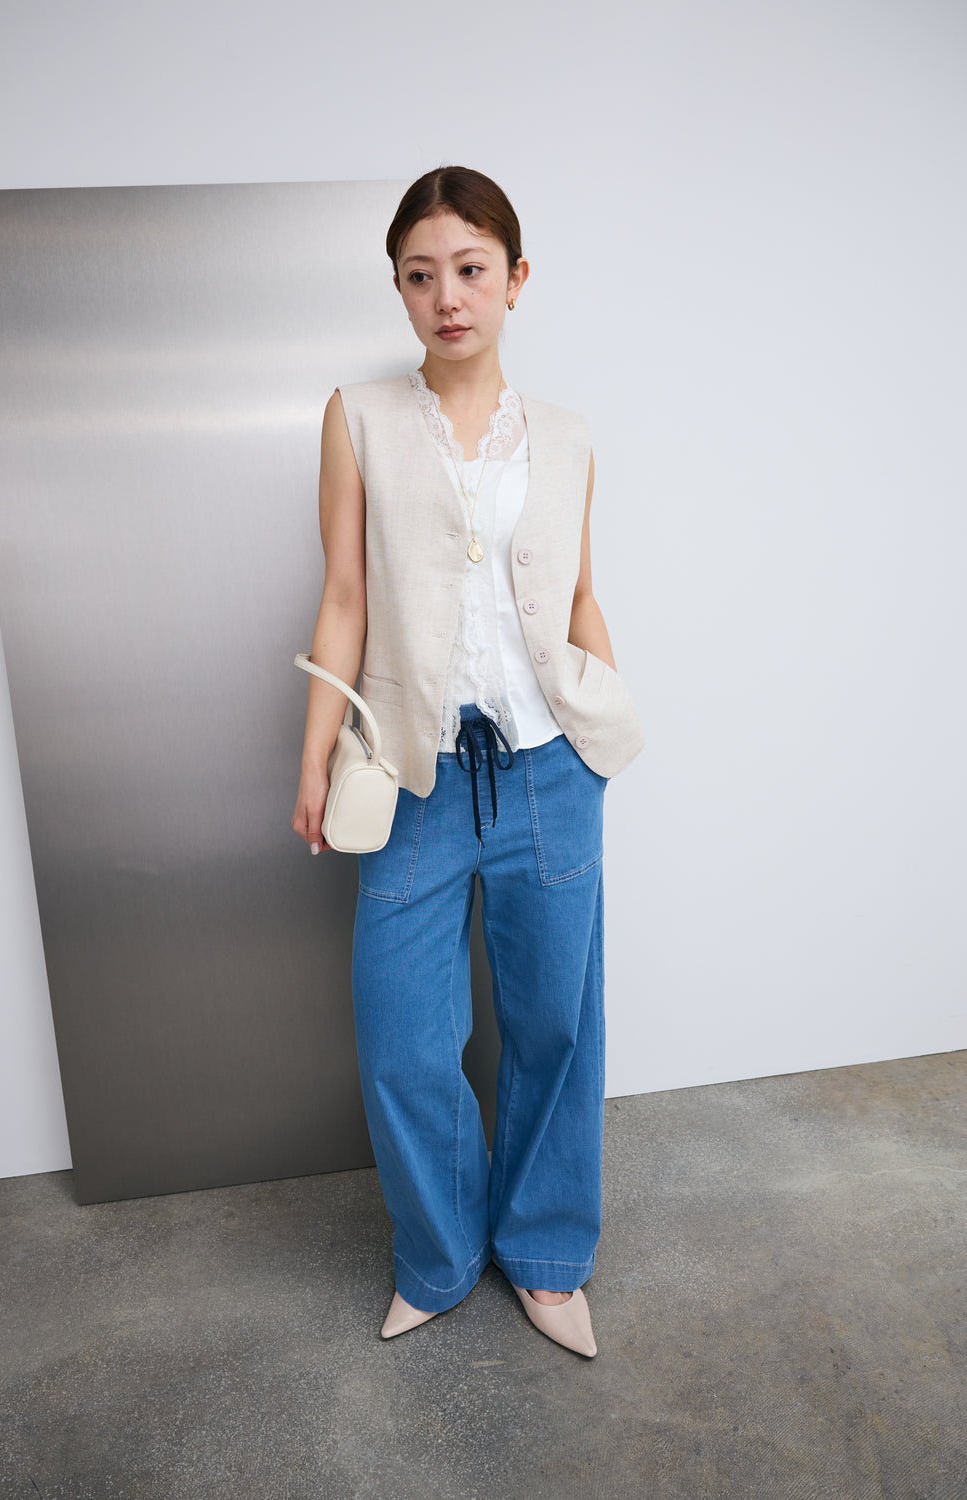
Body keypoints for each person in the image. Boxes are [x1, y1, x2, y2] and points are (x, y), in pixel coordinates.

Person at [291, 166, 645, 1358]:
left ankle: (545, 1255)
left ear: (514, 279)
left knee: (556, 1030)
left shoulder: (567, 437)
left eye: (471, 269)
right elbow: (344, 597)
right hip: (415, 779)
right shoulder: (356, 416)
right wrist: (312, 759)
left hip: (550, 772)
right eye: (421, 274)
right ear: (399, 290)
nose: (448, 296)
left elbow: (579, 598)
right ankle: (438, 1259)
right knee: (403, 1041)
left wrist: (601, 738)